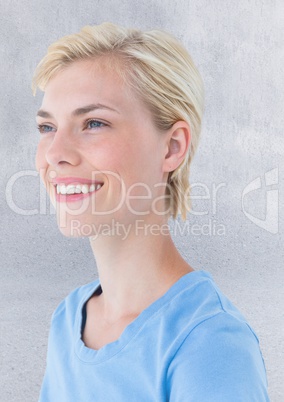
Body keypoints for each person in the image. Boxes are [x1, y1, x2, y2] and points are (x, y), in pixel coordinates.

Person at [33, 22, 270, 401]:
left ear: (172, 147)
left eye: (94, 123)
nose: (55, 154)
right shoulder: (67, 319)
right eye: (47, 126)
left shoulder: (209, 344)